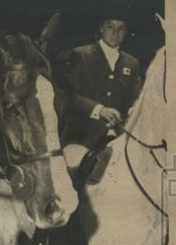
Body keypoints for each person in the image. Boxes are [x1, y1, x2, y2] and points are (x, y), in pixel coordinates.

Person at [59, 12, 144, 162]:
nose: (115, 32)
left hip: (120, 134)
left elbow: (136, 97)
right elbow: (69, 94)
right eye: (110, 26)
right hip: (82, 134)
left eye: (121, 28)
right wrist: (99, 110)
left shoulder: (132, 63)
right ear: (101, 29)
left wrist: (132, 112)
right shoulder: (80, 54)